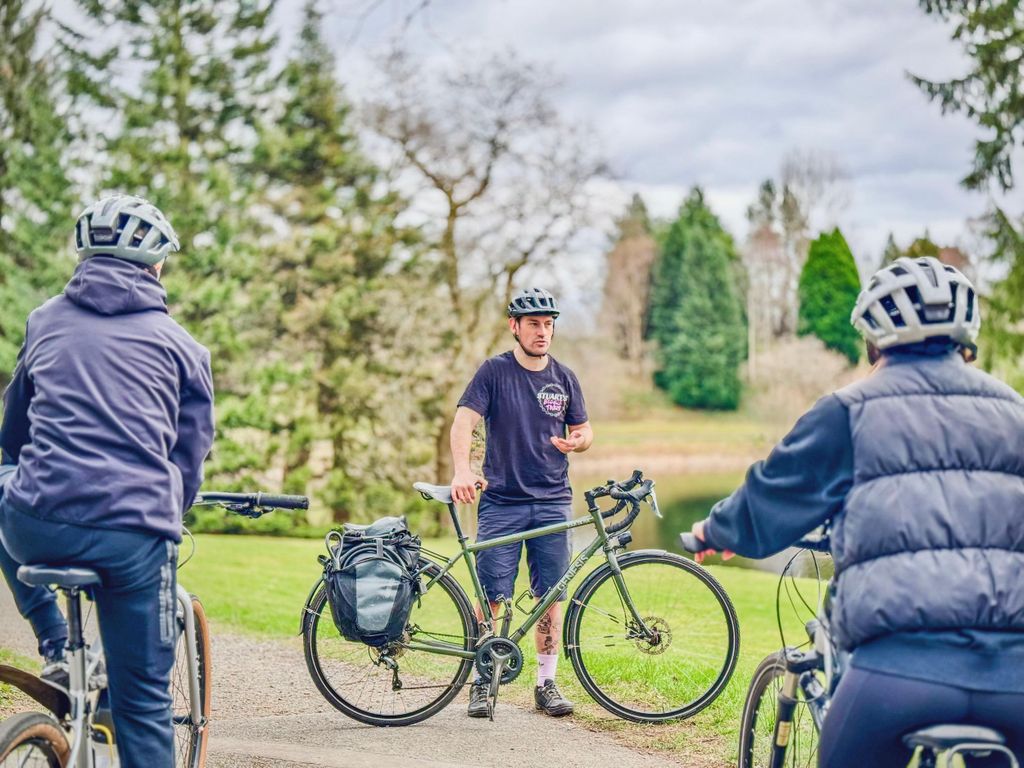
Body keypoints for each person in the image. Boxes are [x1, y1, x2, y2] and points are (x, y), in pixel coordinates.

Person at [686, 256, 1024, 767]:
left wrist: (715, 530)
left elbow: (768, 499)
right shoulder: (1015, 412)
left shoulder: (849, 410)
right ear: (965, 341)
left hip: (899, 673)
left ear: (873, 339)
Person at [0, 194, 215, 767]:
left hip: (36, 526)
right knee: (142, 703)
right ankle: (107, 696)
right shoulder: (183, 348)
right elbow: (188, 458)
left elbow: (13, 432)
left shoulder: (43, 321)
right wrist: (172, 507)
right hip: (132, 538)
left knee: (0, 481)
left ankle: (51, 637)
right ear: (156, 265)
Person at [450, 287, 593, 718]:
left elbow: (585, 430)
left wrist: (580, 442)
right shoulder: (493, 373)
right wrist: (462, 470)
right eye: (534, 323)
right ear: (514, 326)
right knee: (491, 595)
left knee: (550, 596)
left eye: (548, 324)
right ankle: (481, 682)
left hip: (552, 501)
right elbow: (463, 422)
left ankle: (546, 683)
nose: (542, 331)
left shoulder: (564, 378)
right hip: (502, 501)